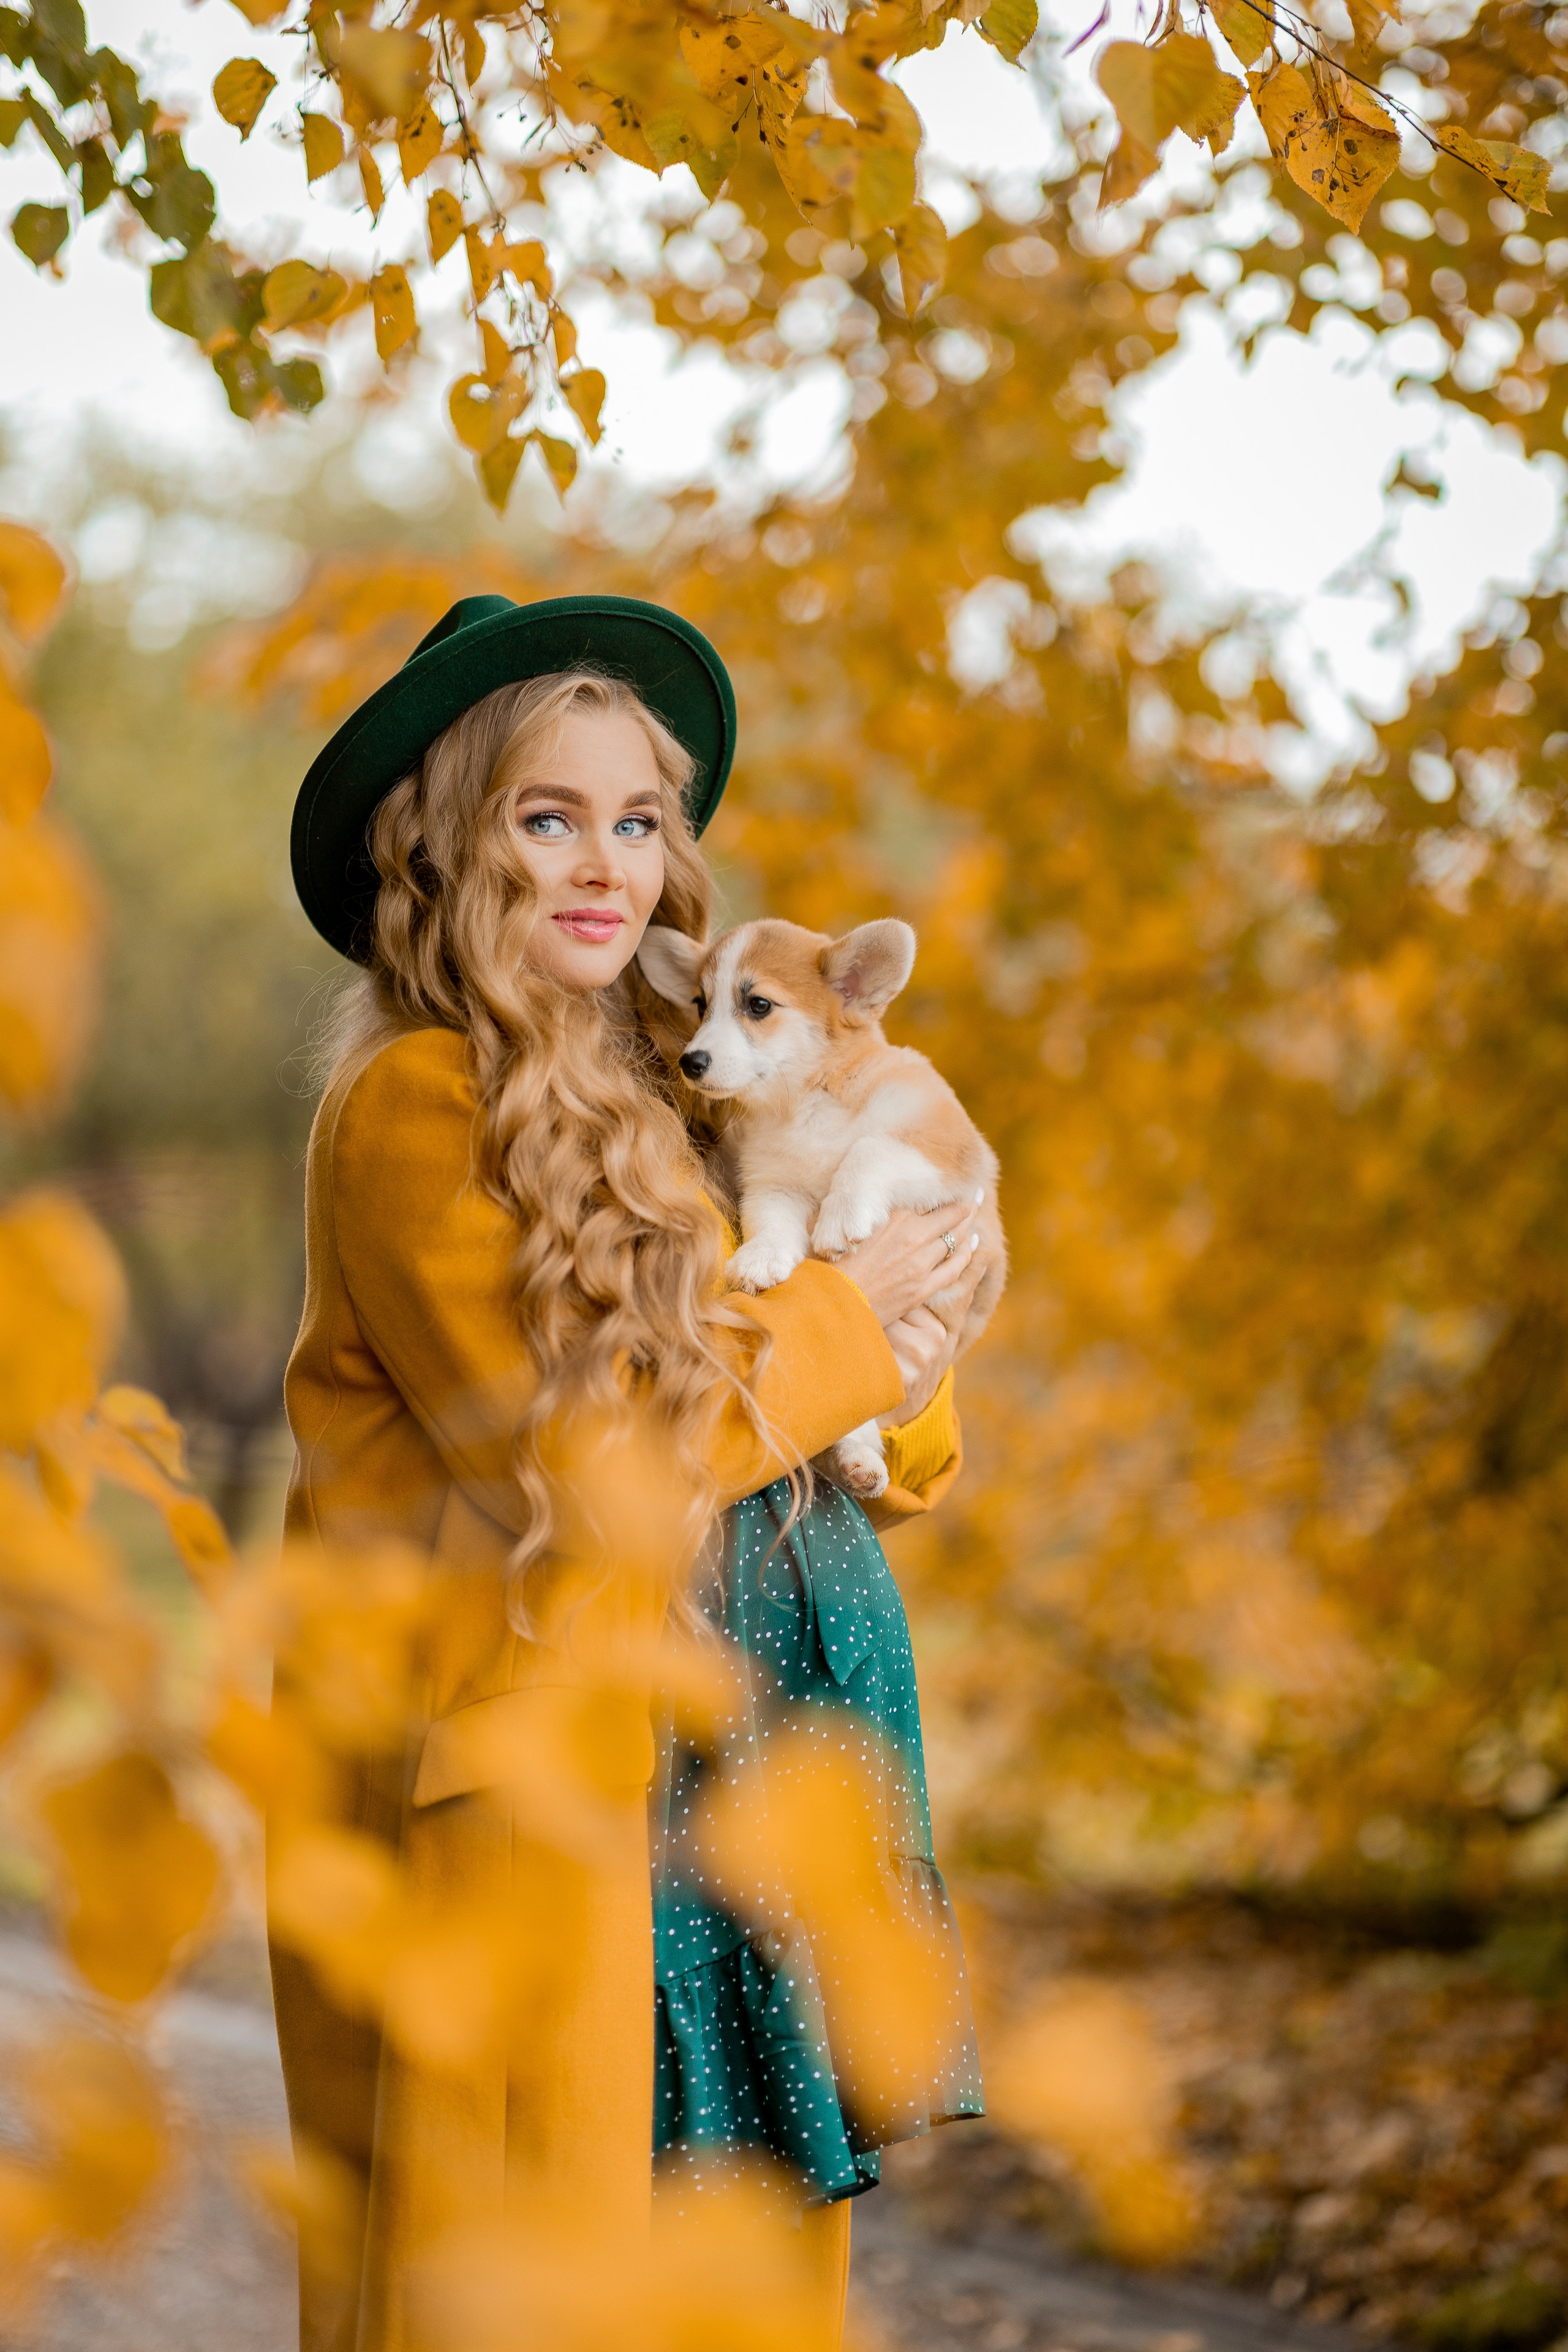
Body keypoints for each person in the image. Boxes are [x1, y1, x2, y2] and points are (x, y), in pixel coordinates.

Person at [278, 593, 989, 2352]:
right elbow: (591, 1465)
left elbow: (876, 1434)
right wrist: (845, 1321)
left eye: (638, 819)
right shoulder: (417, 1110)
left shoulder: (680, 1097)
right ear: (451, 849)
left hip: (750, 1783)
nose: (606, 863)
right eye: (547, 816)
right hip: (559, 1811)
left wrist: (909, 1325)